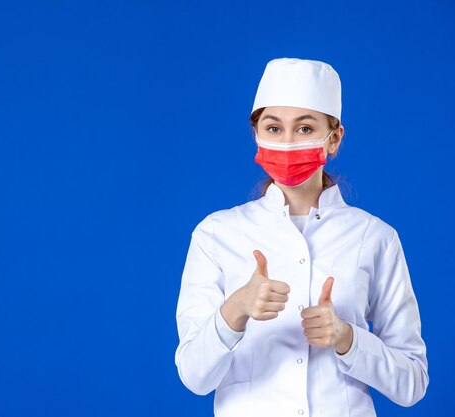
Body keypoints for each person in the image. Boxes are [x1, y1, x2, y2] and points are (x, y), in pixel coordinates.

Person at [174, 57, 429, 417]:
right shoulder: (217, 234)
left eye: (306, 129)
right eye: (274, 128)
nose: (288, 142)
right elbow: (194, 376)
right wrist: (236, 309)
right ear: (257, 135)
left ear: (334, 139)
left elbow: (413, 383)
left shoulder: (375, 237)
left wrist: (348, 339)